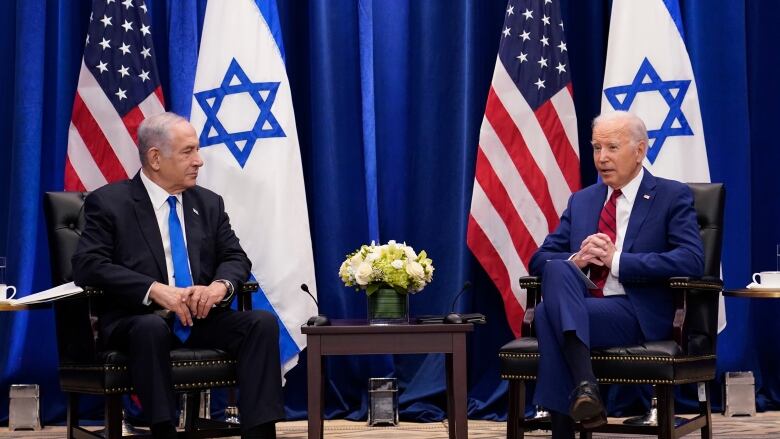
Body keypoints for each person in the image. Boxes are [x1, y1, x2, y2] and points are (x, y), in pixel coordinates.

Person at [72, 112, 284, 439]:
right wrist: (153, 289)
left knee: (261, 324)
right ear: (155, 158)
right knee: (150, 326)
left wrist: (218, 286)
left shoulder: (208, 203)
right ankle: (162, 429)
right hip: (138, 319)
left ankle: (259, 433)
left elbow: (235, 257)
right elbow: (88, 264)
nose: (199, 161)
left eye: (197, 150)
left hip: (198, 318)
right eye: (188, 152)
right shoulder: (110, 203)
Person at [528, 111, 704, 438]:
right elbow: (538, 259)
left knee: (545, 314)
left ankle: (567, 424)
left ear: (639, 151)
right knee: (557, 270)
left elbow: (691, 260)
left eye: (611, 147)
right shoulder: (582, 201)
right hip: (583, 305)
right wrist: (577, 259)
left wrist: (618, 260)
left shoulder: (670, 196)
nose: (602, 158)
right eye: (596, 148)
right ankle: (586, 387)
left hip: (634, 310)